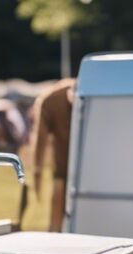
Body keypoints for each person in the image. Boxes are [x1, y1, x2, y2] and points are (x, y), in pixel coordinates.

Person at [31, 78, 75, 232]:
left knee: (59, 183)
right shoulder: (51, 100)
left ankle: (55, 231)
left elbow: (40, 142)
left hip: (62, 174)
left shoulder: (49, 99)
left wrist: (37, 171)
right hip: (72, 173)